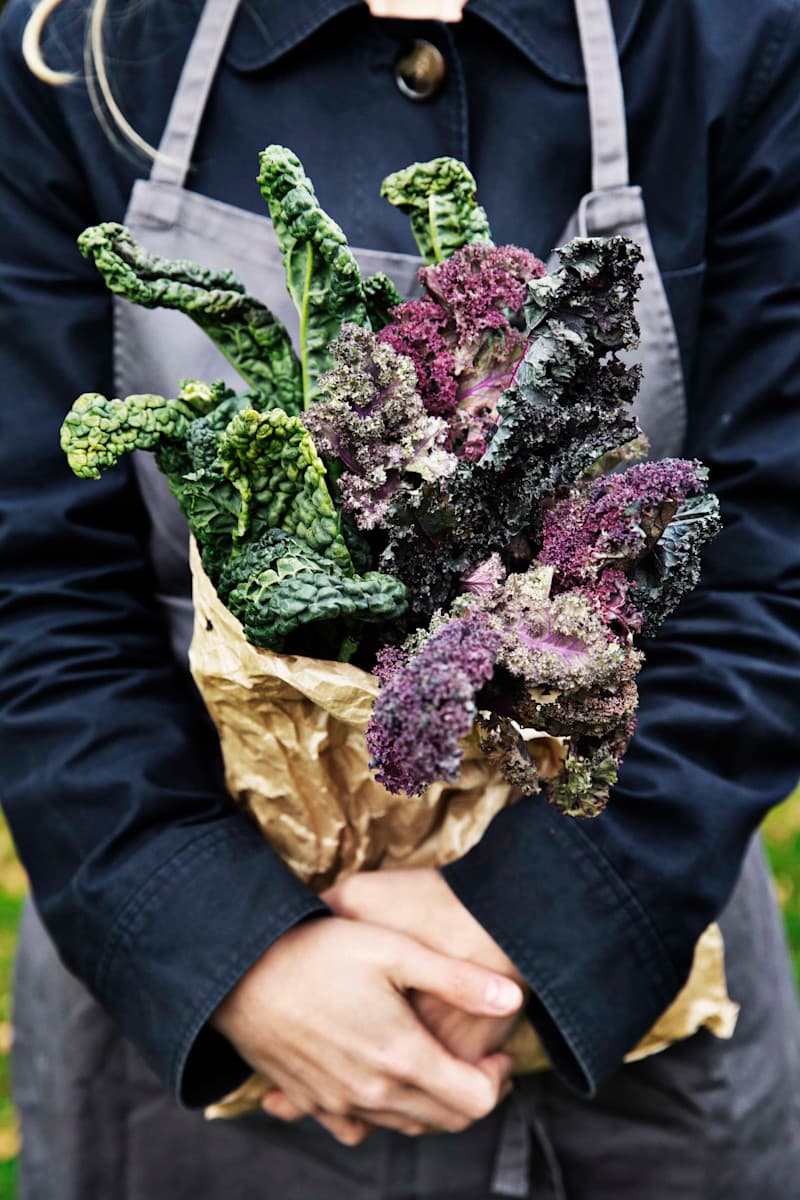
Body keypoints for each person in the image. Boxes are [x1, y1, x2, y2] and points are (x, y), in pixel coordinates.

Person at [1, 0, 799, 1196]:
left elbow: (768, 547)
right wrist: (223, 951)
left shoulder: (729, 39)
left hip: (633, 1009)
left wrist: (549, 922)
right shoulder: (77, 51)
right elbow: (32, 570)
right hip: (190, 1043)